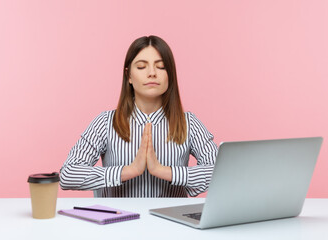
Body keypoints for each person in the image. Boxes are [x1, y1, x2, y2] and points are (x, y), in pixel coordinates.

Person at [60, 35, 218, 197]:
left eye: (161, 67)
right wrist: (129, 171)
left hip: (171, 222)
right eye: (142, 67)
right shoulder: (106, 122)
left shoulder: (188, 123)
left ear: (170, 75)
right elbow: (68, 174)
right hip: (118, 220)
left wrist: (164, 171)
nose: (152, 73)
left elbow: (220, 172)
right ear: (128, 76)